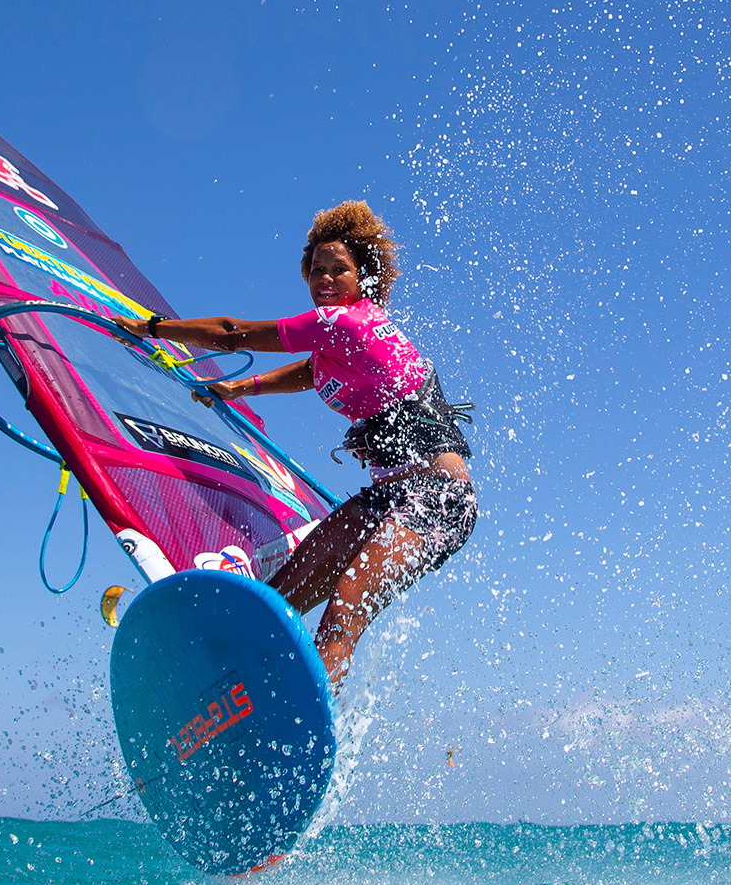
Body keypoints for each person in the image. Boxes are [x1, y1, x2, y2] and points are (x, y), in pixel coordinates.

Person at [114, 200, 477, 687]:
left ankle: (311, 731)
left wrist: (151, 327)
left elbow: (229, 334)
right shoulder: (343, 337)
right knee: (277, 601)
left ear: (363, 278)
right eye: (317, 270)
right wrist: (246, 387)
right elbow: (311, 371)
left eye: (339, 270)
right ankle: (226, 688)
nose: (325, 279)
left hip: (439, 499)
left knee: (343, 610)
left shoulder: (346, 323)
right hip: (388, 494)